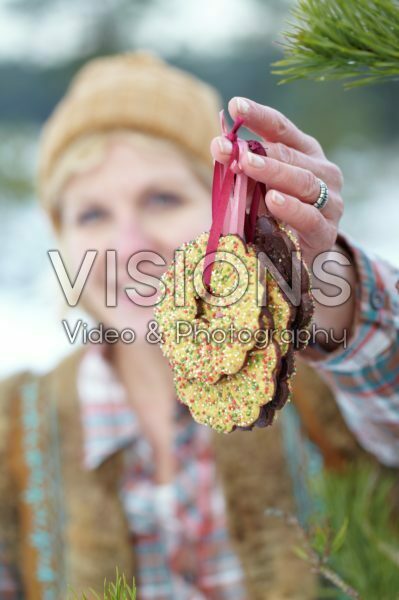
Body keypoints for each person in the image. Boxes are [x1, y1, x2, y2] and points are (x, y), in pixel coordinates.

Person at [0, 50, 398, 600]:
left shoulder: (323, 402)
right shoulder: (10, 431)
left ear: (225, 215)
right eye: (92, 214)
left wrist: (337, 304)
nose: (128, 245)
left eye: (162, 198)